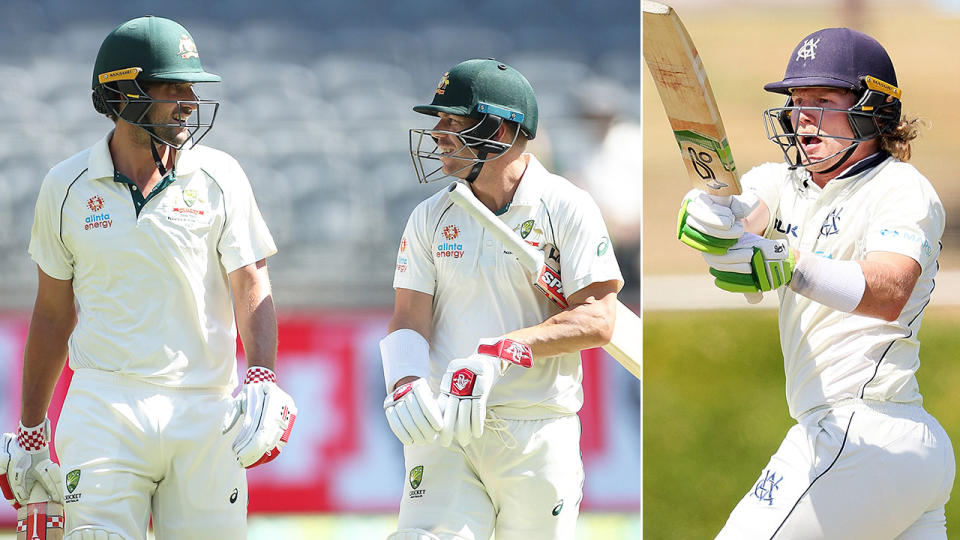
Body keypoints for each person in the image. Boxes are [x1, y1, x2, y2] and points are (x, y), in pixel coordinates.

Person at [0, 16, 296, 540]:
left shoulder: (219, 176)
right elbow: (51, 313)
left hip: (206, 405)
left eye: (191, 87)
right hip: (103, 404)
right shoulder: (64, 186)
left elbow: (251, 282)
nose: (188, 100)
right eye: (172, 86)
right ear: (123, 93)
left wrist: (263, 375)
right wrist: (30, 429)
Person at [676, 28, 955, 538]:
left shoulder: (901, 188)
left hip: (865, 431)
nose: (803, 116)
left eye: (823, 100)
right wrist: (712, 214)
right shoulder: (783, 183)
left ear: (873, 110)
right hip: (889, 451)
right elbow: (743, 213)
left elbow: (889, 291)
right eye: (797, 101)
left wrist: (787, 263)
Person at [381, 58, 624, 540]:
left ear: (497, 126)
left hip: (536, 428)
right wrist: (406, 381)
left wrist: (498, 354)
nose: (437, 133)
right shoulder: (430, 216)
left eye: (452, 120)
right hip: (448, 425)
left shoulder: (566, 205)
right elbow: (409, 317)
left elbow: (597, 319)